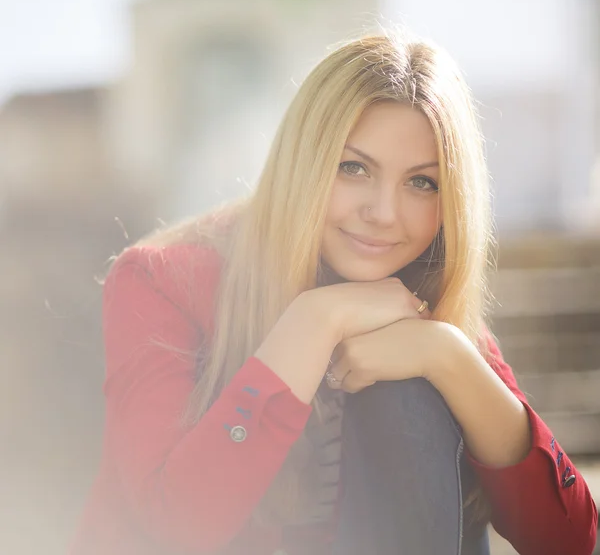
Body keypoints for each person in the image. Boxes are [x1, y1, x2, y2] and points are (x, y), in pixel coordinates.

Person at [70, 32, 598, 555]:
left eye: (422, 183)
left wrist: (451, 356)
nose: (384, 214)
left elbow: (571, 540)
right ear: (305, 160)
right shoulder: (165, 280)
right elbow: (172, 528)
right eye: (353, 168)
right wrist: (312, 323)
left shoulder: (421, 293)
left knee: (413, 387)